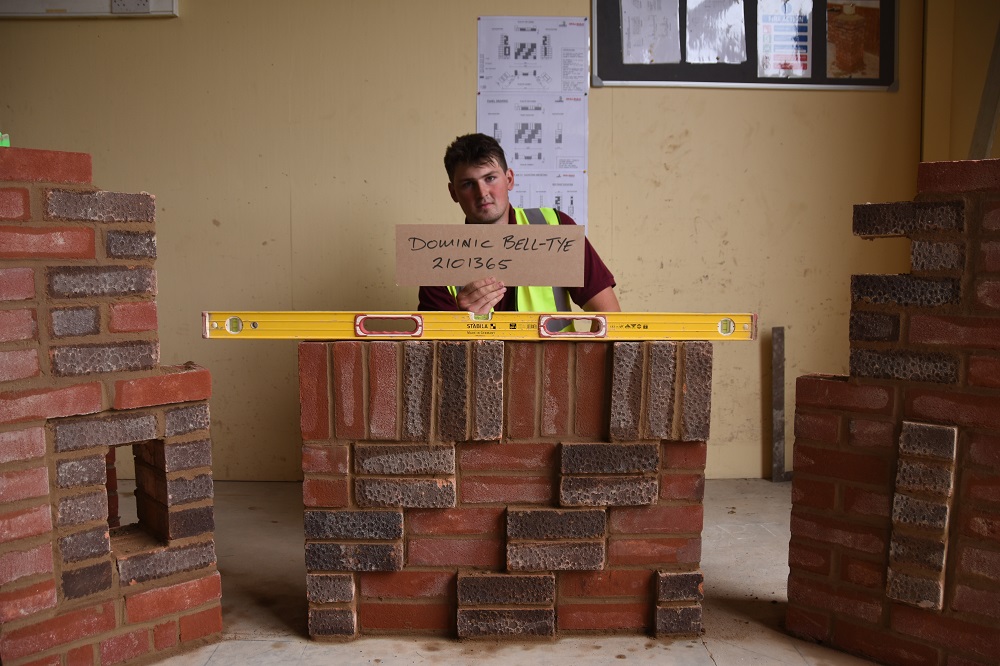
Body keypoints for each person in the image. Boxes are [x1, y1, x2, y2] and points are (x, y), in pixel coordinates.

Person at [418, 133, 621, 314]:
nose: (482, 193)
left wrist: (577, 358)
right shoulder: (438, 260)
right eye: (468, 184)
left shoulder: (555, 228)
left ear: (509, 179)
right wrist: (460, 319)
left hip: (554, 358)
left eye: (490, 178)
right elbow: (437, 353)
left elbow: (609, 315)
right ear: (453, 193)